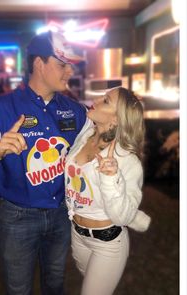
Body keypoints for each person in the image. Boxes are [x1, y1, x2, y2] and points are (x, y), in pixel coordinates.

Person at [0, 31, 92, 295]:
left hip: (62, 213)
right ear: (38, 64)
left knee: (55, 283)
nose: (69, 71)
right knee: (18, 288)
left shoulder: (75, 110)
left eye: (70, 64)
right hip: (17, 216)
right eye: (62, 64)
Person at [65, 86, 151, 295]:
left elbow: (121, 216)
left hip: (108, 243)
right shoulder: (85, 136)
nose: (96, 99)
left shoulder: (127, 162)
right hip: (77, 235)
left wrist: (111, 178)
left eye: (105, 101)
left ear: (116, 119)